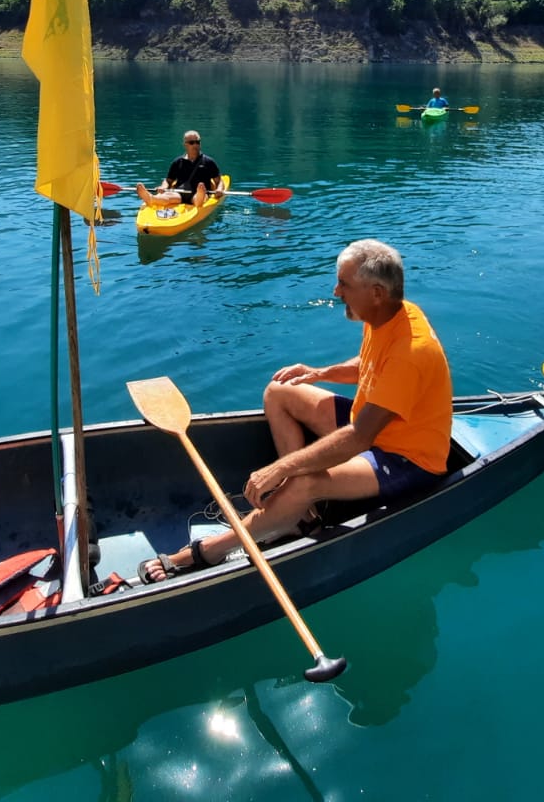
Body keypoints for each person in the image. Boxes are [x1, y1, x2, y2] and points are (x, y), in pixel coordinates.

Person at [140, 239, 453, 581]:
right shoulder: (388, 314)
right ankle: (303, 517)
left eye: (344, 284)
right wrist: (320, 373)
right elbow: (371, 364)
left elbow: (360, 437)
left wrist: (281, 469)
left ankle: (211, 551)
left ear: (377, 292)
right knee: (279, 393)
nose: (336, 292)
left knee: (303, 480)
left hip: (406, 458)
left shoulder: (412, 350)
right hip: (373, 428)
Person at [136, 129, 223, 209]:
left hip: (199, 193)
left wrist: (219, 189)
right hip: (179, 193)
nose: (195, 145)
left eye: (197, 142)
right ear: (185, 144)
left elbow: (219, 181)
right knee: (167, 197)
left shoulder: (208, 162)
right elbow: (168, 180)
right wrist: (163, 187)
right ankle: (151, 198)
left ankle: (199, 199)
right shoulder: (177, 162)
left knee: (199, 196)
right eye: (192, 142)